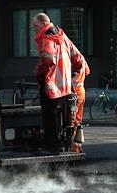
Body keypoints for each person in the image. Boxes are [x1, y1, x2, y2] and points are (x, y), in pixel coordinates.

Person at [32, 13, 75, 152]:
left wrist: (38, 73)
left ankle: (52, 145)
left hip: (52, 84)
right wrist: (82, 71)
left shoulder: (47, 38)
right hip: (65, 84)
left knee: (49, 114)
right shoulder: (62, 36)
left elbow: (48, 58)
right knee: (61, 114)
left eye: (35, 26)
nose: (34, 29)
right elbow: (77, 55)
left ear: (44, 24)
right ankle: (62, 143)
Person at [69, 46, 90, 153]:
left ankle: (74, 145)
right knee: (78, 120)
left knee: (72, 120)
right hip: (81, 93)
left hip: (74, 96)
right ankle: (78, 145)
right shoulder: (82, 61)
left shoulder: (72, 66)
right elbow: (87, 72)